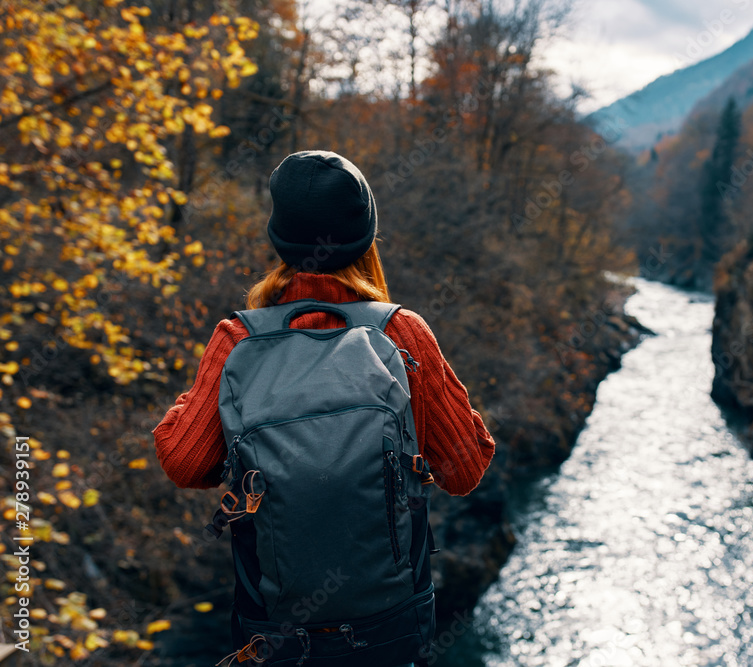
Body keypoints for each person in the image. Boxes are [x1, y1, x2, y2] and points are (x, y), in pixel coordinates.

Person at [152, 150, 496, 666]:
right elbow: (465, 471)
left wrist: (206, 393)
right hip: (390, 626)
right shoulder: (401, 333)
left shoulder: (237, 338)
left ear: (279, 237)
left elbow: (183, 461)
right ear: (366, 236)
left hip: (274, 628)